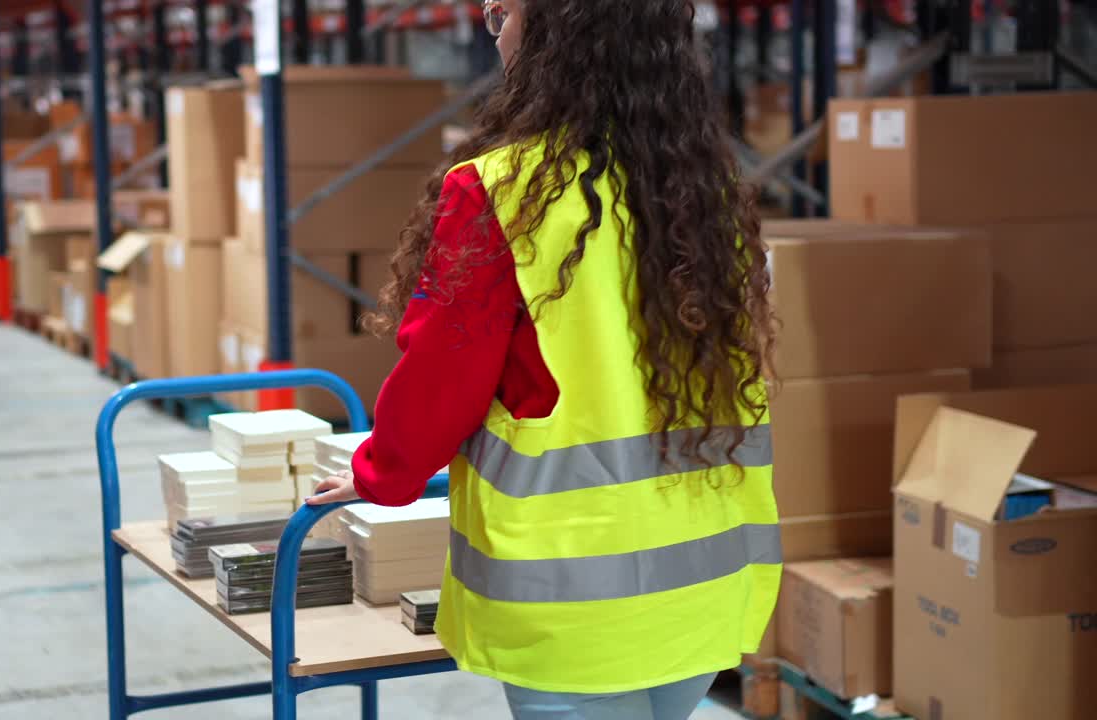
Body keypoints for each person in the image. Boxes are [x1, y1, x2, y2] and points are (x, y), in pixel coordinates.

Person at [308, 0, 781, 717]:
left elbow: (441, 379)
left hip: (573, 604)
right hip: (704, 584)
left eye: (502, 13)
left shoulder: (502, 195)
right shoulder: (707, 194)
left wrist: (382, 472)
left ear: (560, 29)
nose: (496, 33)